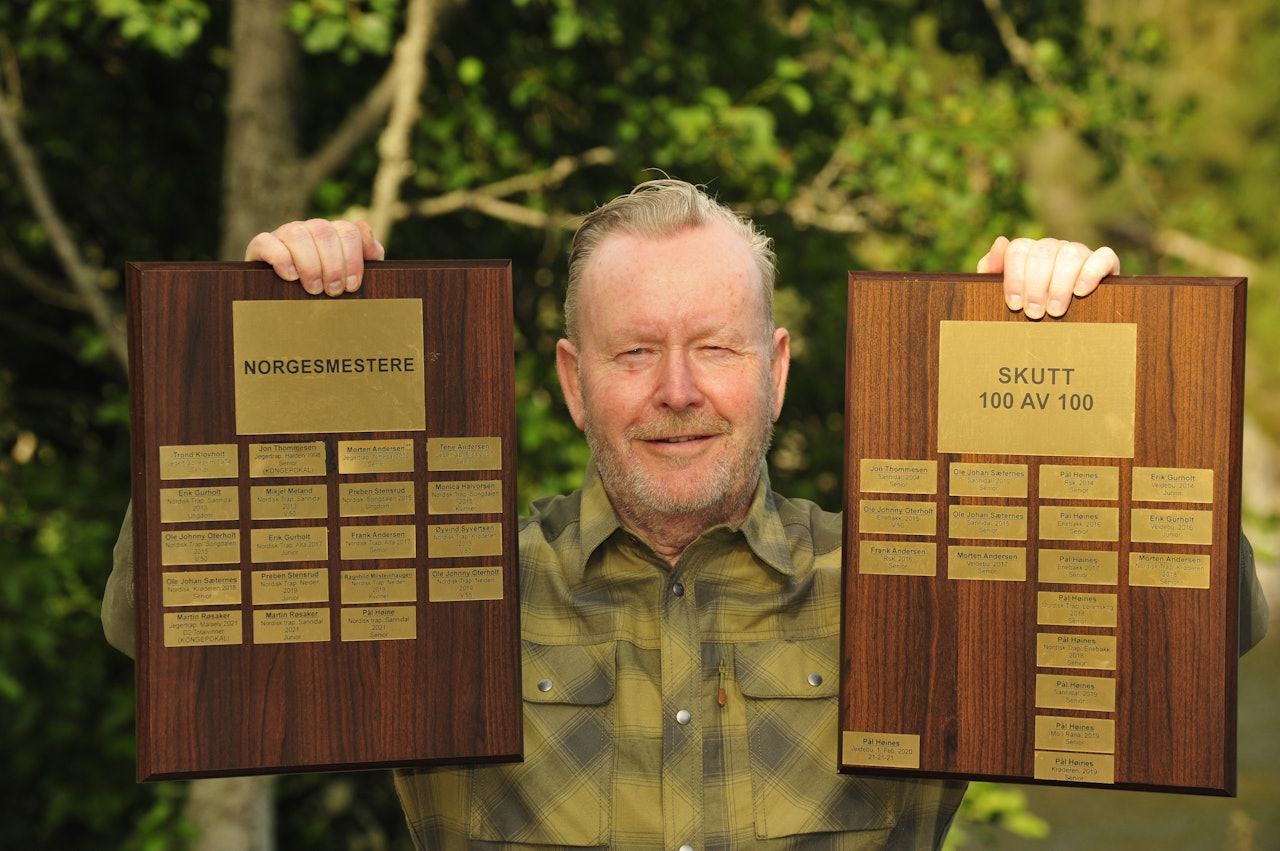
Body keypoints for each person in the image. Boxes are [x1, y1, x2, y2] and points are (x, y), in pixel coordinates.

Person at [105, 179, 1269, 849]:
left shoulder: (915, 582)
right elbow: (152, 624)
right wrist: (283, 326)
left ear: (774, 369)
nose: (675, 390)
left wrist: (1092, 355)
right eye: (633, 353)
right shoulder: (447, 586)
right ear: (572, 382)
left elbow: (1214, 626)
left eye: (712, 347)